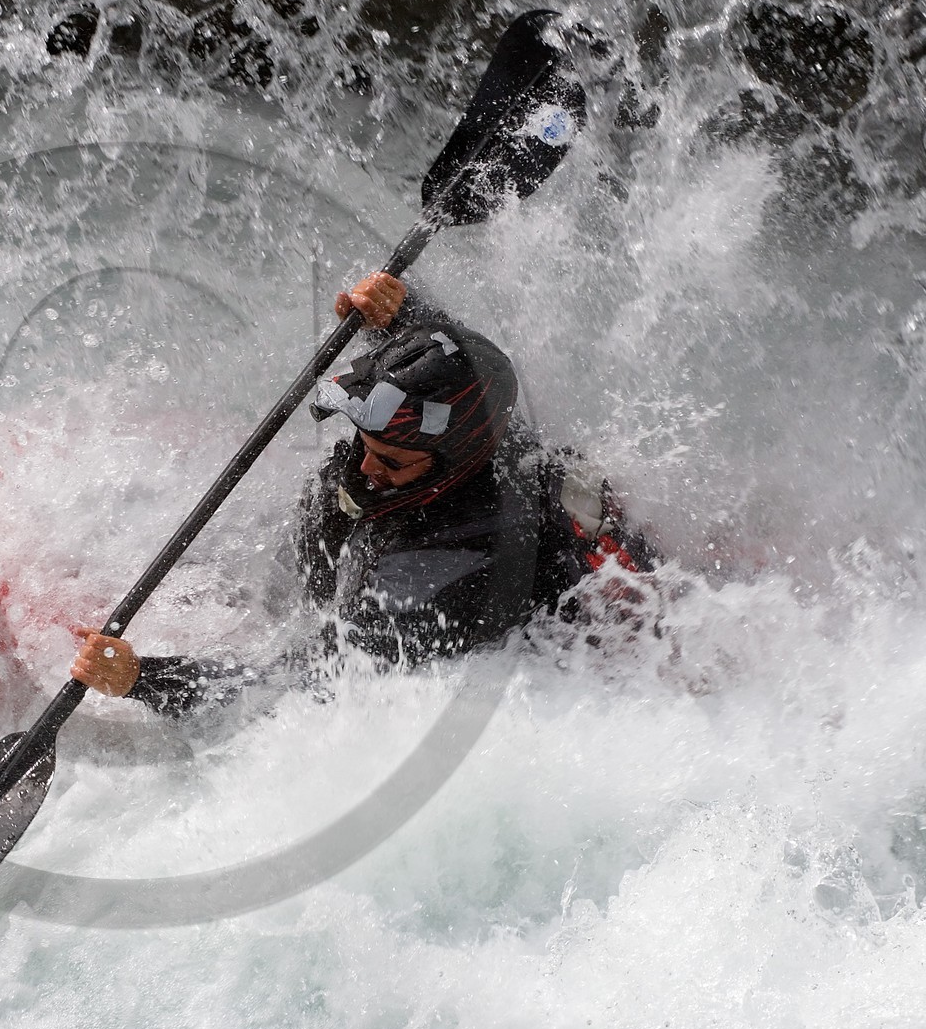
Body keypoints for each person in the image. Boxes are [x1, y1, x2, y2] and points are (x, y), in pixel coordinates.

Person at [70, 271, 658, 718]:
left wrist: (144, 680)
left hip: (506, 638)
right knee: (339, 490)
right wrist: (404, 311)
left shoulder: (423, 586)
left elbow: (283, 691)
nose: (368, 465)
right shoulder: (483, 430)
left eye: (394, 461)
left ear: (450, 464)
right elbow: (470, 362)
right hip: (462, 552)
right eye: (367, 441)